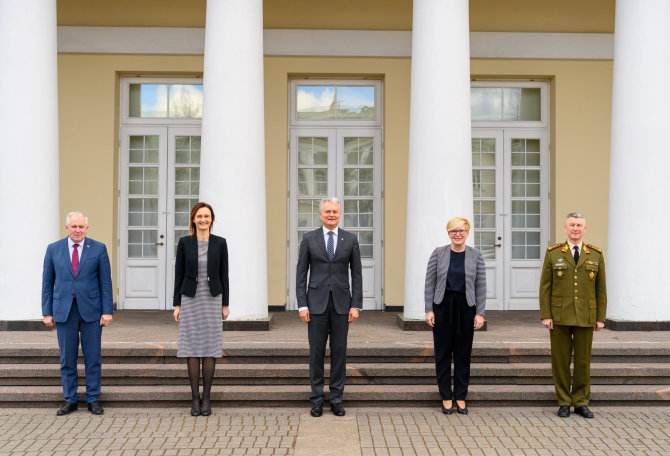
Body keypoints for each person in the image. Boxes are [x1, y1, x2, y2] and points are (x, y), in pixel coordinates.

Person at [42, 211, 113, 416]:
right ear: (67, 228)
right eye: (74, 227)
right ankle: (70, 399)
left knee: (93, 358)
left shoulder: (98, 248)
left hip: (92, 311)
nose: (78, 230)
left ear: (86, 228)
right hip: (64, 311)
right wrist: (47, 312)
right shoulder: (53, 249)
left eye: (81, 226)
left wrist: (107, 310)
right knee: (67, 358)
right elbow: (47, 283)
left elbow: (105, 283)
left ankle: (92, 399)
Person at [296, 197, 362, 417]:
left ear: (339, 214)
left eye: (335, 211)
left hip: (342, 305)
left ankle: (336, 398)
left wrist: (356, 305)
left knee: (339, 353)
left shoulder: (350, 239)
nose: (331, 214)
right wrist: (302, 305)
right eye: (327, 212)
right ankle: (316, 399)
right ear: (320, 214)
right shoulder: (309, 239)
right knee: (316, 353)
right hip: (315, 304)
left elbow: (357, 275)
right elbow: (301, 274)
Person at [540, 212, 606, 419]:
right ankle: (563, 401)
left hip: (586, 315)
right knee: (560, 361)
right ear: (565, 228)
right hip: (559, 315)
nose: (575, 228)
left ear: (584, 229)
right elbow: (545, 287)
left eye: (579, 225)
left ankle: (581, 402)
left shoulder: (595, 254)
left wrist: (600, 317)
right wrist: (545, 315)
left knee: (583, 361)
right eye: (572, 225)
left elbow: (601, 289)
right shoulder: (553, 253)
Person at [424, 217, 486, 415]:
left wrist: (480, 313)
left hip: (466, 307)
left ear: (467, 232)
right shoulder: (438, 253)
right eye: (453, 231)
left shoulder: (476, 256)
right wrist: (428, 310)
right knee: (442, 353)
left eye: (461, 231)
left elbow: (481, 287)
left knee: (463, 354)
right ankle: (445, 396)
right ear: (448, 233)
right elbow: (429, 283)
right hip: (442, 306)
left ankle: (460, 396)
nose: (457, 234)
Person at [173, 202, 230, 416]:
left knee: (210, 347)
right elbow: (178, 274)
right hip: (190, 298)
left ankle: (207, 397)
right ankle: (194, 398)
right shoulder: (185, 243)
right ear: (193, 219)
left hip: (213, 298)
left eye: (206, 216)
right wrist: (177, 304)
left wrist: (225, 304)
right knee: (191, 347)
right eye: (199, 216)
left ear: (211, 219)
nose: (203, 220)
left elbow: (225, 275)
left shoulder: (220, 243)